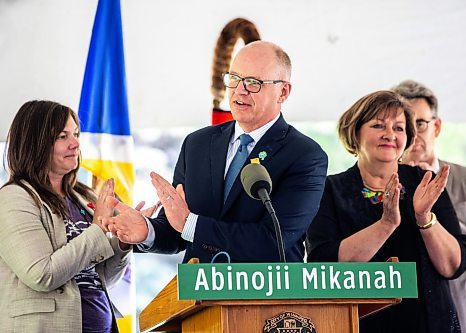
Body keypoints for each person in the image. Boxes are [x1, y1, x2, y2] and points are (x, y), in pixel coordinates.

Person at [103, 41, 328, 263]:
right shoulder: (198, 144)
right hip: (201, 293)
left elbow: (272, 240)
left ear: (283, 91)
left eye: (253, 82)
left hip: (265, 295)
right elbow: (178, 231)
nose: (240, 90)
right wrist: (146, 231)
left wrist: (189, 224)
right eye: (235, 79)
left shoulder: (305, 156)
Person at [306, 90, 466, 333]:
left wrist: (425, 219)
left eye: (399, 128)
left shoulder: (425, 182)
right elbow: (324, 265)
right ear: (355, 132)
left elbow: (453, 266)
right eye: (378, 125)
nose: (389, 135)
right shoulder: (329, 190)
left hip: (430, 323)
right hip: (359, 326)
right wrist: (385, 224)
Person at [0, 101, 131, 332]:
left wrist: (122, 241)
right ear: (35, 143)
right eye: (63, 136)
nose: (76, 144)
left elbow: (99, 278)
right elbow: (42, 274)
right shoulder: (13, 197)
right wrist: (99, 228)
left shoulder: (83, 196)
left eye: (76, 134)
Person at [393, 80, 466, 333]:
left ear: (436, 126)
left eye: (420, 123)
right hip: (401, 315)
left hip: (462, 314)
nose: (413, 134)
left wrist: (438, 210)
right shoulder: (382, 184)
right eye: (405, 125)